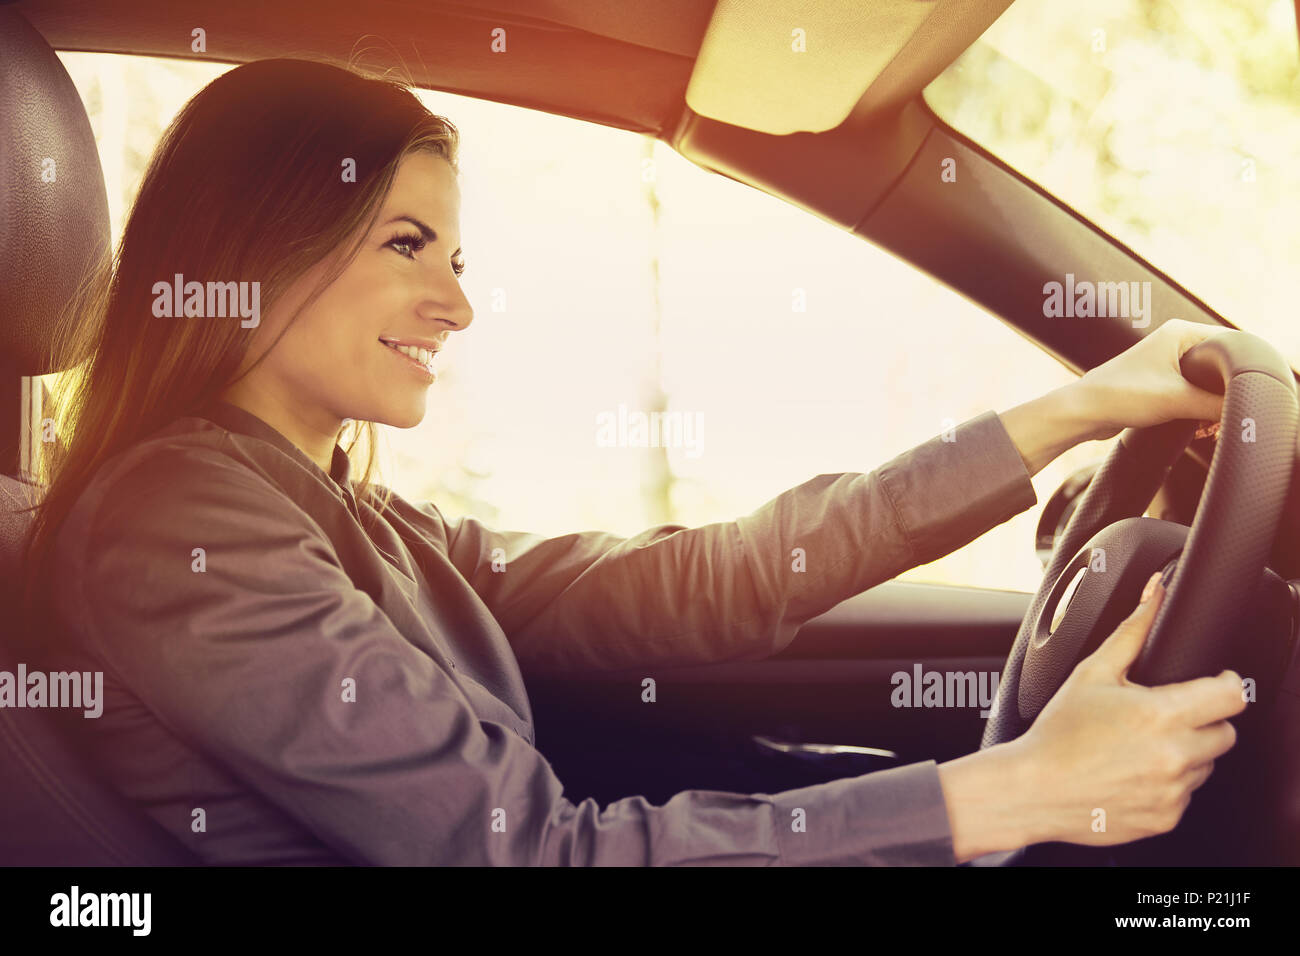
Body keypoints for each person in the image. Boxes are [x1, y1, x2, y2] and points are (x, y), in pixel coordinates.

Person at [18, 57, 1245, 865]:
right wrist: (1019, 792)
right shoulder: (178, 524)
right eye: (410, 244)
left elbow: (701, 580)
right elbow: (534, 855)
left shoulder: (344, 514)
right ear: (261, 239)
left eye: (460, 260)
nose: (457, 305)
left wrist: (1073, 411)